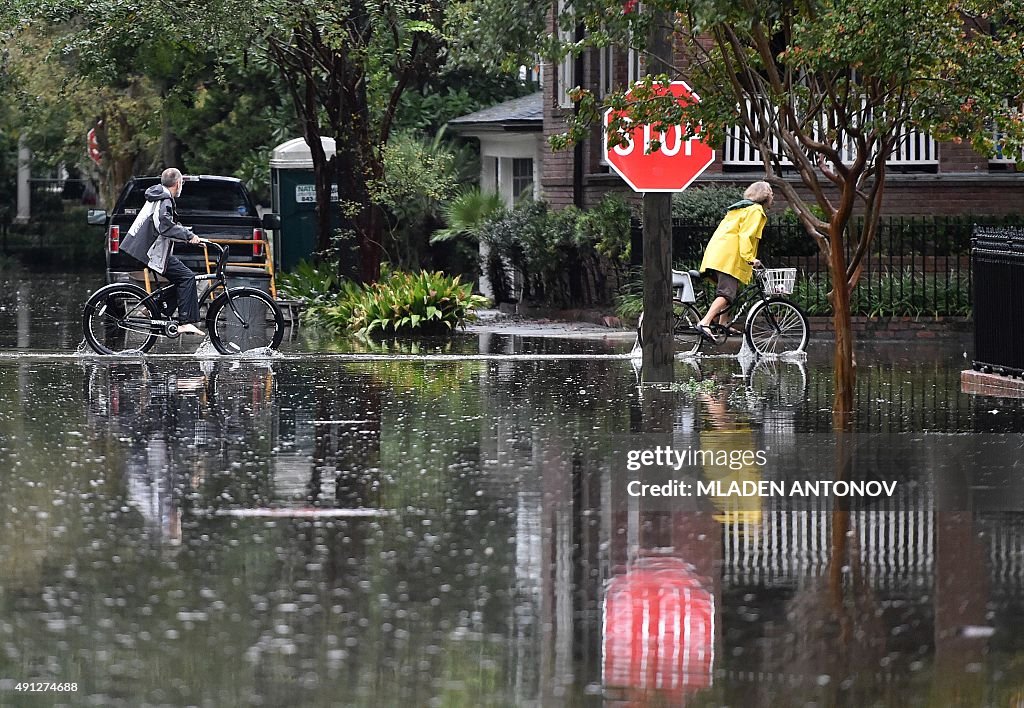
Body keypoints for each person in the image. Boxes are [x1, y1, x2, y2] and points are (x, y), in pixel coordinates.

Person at [120, 168, 204, 336]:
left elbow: (164, 225)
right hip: (150, 252)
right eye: (182, 183)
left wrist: (189, 237)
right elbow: (164, 225)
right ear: (178, 183)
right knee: (187, 278)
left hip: (144, 249)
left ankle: (153, 307)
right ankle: (185, 322)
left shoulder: (159, 195)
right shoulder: (164, 198)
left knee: (182, 279)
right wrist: (189, 236)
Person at [695, 181, 774, 340]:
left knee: (731, 291)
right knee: (726, 293)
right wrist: (750, 259)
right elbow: (745, 236)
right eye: (771, 193)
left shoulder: (740, 208)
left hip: (717, 254)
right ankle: (704, 322)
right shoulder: (755, 211)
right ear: (765, 196)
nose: (773, 196)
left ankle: (723, 324)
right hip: (728, 257)